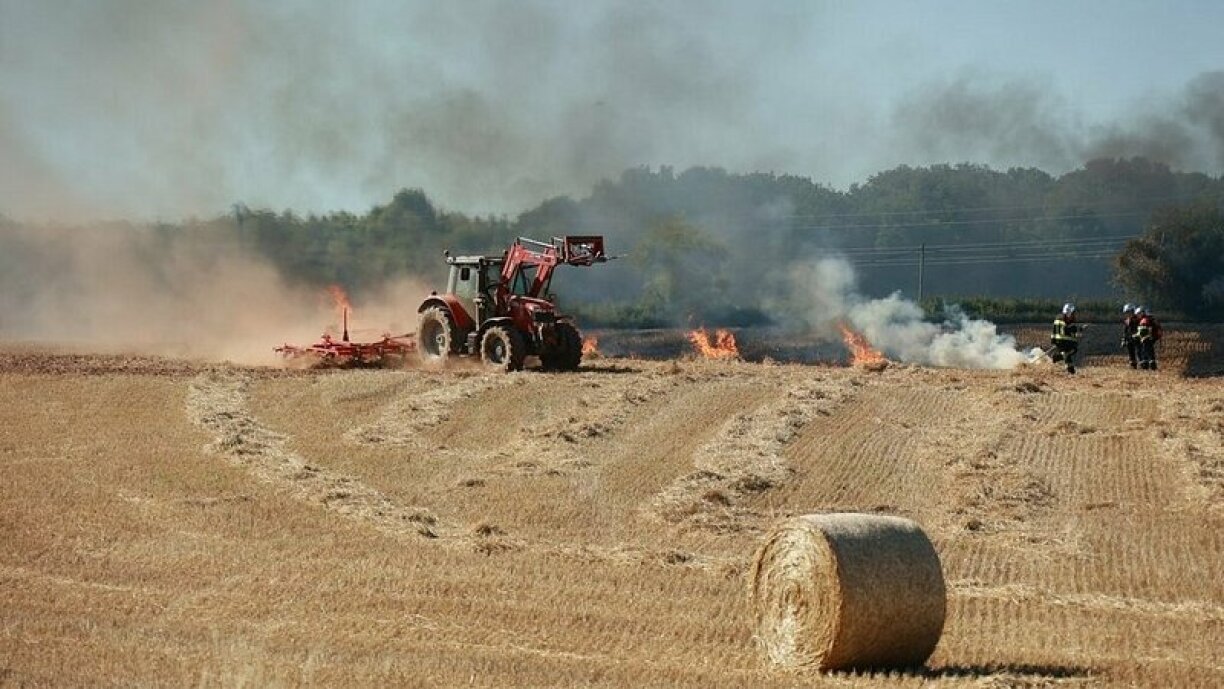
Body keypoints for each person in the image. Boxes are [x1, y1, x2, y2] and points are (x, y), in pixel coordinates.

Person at [1050, 302, 1083, 374]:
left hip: (1059, 342)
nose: (1074, 315)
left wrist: (1053, 341)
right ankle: (1057, 358)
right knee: (1071, 351)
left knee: (1067, 354)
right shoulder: (1067, 321)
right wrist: (1079, 331)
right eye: (1073, 313)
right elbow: (1069, 331)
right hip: (1064, 342)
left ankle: (1070, 370)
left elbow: (1054, 331)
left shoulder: (1058, 318)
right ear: (1069, 313)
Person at [1134, 306, 1162, 370]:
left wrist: (1136, 335)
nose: (1137, 316)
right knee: (1150, 350)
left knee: (1145, 351)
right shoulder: (1151, 319)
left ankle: (1146, 365)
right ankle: (1151, 364)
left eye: (1138, 314)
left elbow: (1143, 331)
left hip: (1147, 338)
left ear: (1142, 313)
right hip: (1152, 337)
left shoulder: (1144, 320)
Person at [1120, 303, 1140, 369]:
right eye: (1127, 312)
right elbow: (1125, 331)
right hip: (1129, 338)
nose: (1128, 314)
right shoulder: (1127, 321)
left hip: (1137, 338)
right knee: (1131, 351)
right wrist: (1123, 339)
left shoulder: (1138, 319)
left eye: (1130, 312)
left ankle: (1142, 363)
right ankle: (1133, 364)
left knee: (1139, 351)